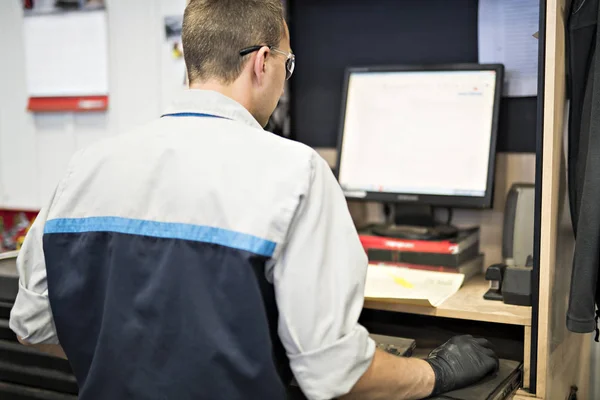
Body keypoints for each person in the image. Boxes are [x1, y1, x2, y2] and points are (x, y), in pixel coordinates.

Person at [9, 0, 498, 399]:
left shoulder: (83, 168)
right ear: (263, 62)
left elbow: (32, 326)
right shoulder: (297, 172)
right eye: (288, 64)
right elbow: (334, 373)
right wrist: (439, 372)